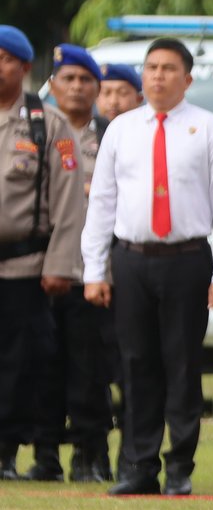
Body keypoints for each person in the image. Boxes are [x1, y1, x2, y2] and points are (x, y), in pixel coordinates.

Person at [81, 37, 213, 496]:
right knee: (136, 363)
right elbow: (103, 202)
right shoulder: (122, 130)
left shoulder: (208, 128)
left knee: (182, 362)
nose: (158, 76)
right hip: (132, 258)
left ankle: (180, 466)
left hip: (186, 258)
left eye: (168, 68)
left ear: (186, 79)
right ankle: (139, 464)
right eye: (151, 67)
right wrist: (94, 269)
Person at [0, 26, 88, 483]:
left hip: (24, 264)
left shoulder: (48, 125)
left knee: (19, 364)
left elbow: (70, 203)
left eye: (4, 59)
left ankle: (5, 451)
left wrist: (59, 265)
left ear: (23, 67)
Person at [32, 46, 115, 482]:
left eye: (86, 80)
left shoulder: (113, 134)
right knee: (42, 367)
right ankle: (44, 454)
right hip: (41, 269)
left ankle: (90, 455)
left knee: (90, 369)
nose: (77, 87)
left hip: (93, 274)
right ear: (53, 85)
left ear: (97, 88)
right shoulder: (37, 129)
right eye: (68, 79)